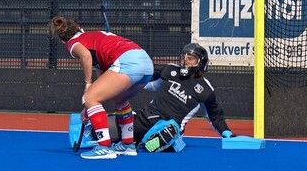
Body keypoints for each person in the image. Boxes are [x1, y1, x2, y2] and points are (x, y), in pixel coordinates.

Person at [79, 43, 234, 153]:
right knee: (99, 130)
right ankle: (138, 141)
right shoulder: (170, 70)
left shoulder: (206, 90)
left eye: (191, 58)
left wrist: (226, 132)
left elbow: (215, 116)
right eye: (184, 56)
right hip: (145, 118)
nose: (185, 60)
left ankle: (165, 139)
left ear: (201, 62)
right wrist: (120, 76)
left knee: (170, 129)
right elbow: (146, 83)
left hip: (168, 125)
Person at [51, 16, 154, 160]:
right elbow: (103, 82)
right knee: (119, 100)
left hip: (128, 62)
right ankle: (127, 145)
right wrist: (89, 107)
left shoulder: (73, 43)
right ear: (79, 28)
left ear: (63, 40)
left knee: (89, 97)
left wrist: (88, 86)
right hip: (146, 63)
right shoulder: (94, 37)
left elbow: (86, 56)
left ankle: (104, 147)